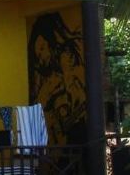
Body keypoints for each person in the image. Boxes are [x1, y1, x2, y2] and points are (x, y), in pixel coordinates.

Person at [28, 12, 86, 144]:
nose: (40, 55)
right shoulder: (45, 77)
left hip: (74, 128)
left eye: (42, 48)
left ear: (51, 42)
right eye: (37, 52)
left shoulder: (66, 61)